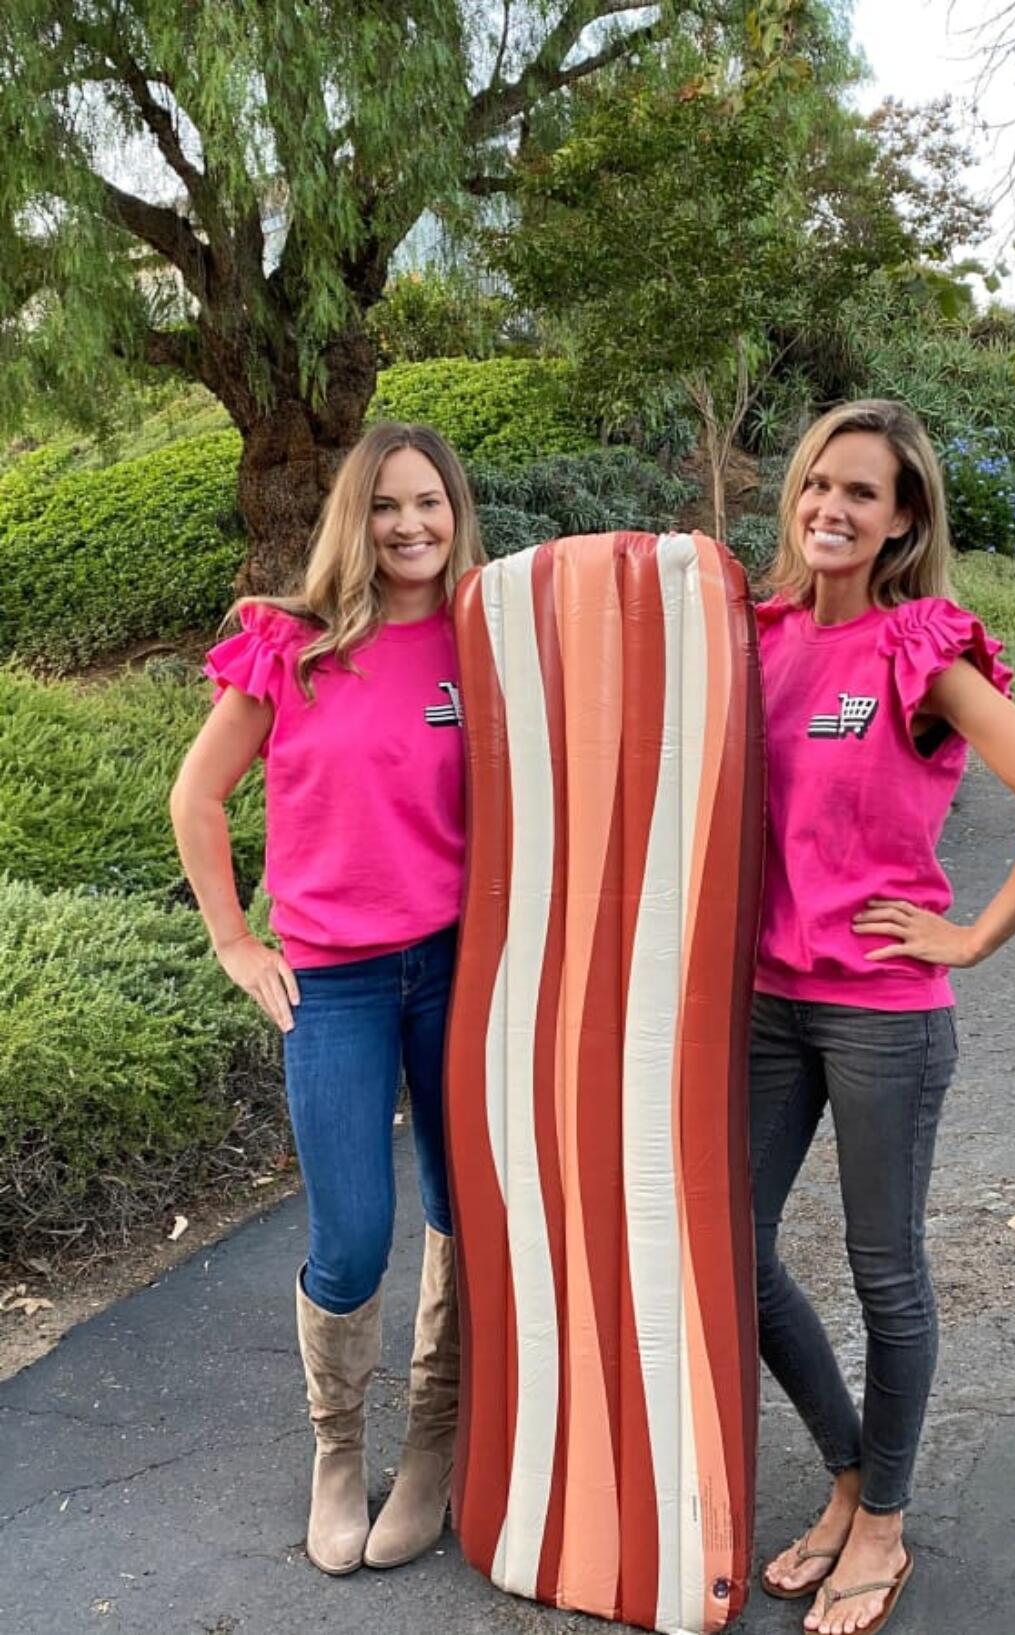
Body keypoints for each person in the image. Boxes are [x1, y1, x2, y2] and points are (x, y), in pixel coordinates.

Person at [750, 400, 1015, 1634]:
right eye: (815, 486)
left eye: (861, 493)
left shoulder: (919, 650)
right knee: (732, 1256)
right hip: (764, 1005)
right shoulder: (757, 638)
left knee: (883, 1271)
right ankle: (848, 1475)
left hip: (879, 1019)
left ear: (903, 519)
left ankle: (884, 1525)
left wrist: (967, 934)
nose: (830, 510)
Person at [170, 422, 485, 1577]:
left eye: (431, 505)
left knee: (463, 1212)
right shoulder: (290, 650)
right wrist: (235, 942)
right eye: (390, 505)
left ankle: (434, 1442)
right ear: (356, 516)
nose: (412, 525)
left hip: (457, 971)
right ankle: (338, 1452)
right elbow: (196, 799)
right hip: (338, 985)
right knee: (351, 1236)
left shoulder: (484, 643)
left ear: (456, 516)